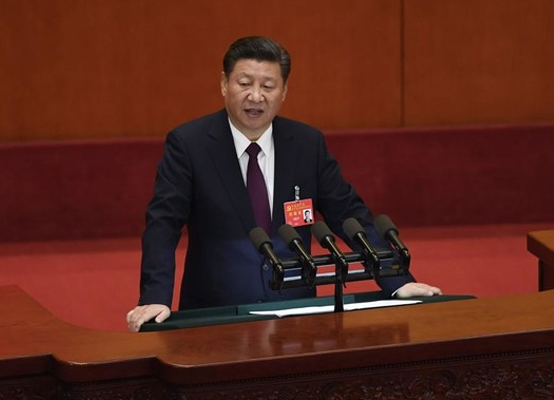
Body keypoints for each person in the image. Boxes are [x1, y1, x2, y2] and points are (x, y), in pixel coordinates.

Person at [126, 36, 441, 332]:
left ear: (284, 91)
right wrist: (155, 295)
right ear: (224, 84)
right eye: (245, 83)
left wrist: (397, 279)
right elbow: (162, 225)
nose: (256, 96)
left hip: (296, 312)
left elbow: (349, 215)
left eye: (268, 85)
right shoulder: (190, 144)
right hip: (216, 313)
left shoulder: (306, 144)